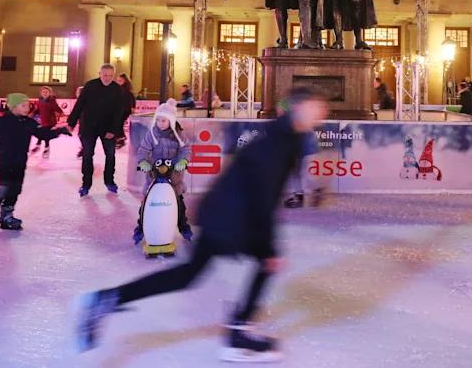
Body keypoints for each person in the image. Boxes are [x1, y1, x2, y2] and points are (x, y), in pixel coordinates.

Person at [74, 87, 329, 361]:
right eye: (315, 107)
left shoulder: (287, 136)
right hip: (232, 216)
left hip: (227, 212)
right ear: (298, 108)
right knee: (261, 263)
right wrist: (268, 247)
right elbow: (262, 195)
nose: (322, 113)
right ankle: (238, 332)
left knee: (190, 274)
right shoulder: (279, 141)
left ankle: (108, 298)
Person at [0, 93, 70, 231]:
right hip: (4, 160)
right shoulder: (1, 122)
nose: (27, 108)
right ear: (13, 107)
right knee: (5, 187)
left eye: (28, 105)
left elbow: (43, 134)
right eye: (23, 105)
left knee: (16, 189)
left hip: (20, 161)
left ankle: (7, 216)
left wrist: (60, 131)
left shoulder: (30, 123)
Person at [132, 99, 192, 245]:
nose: (160, 123)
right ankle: (140, 228)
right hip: (154, 176)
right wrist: (143, 162)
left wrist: (183, 161)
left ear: (171, 120)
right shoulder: (152, 134)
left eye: (163, 120)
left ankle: (183, 227)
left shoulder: (178, 134)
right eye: (158, 120)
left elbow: (185, 149)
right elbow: (143, 150)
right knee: (146, 204)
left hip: (174, 177)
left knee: (179, 204)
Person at [68, 64, 126, 197]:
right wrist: (71, 122)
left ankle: (109, 181)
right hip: (89, 126)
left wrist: (113, 130)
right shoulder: (90, 86)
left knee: (110, 155)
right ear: (99, 74)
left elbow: (119, 112)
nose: (107, 78)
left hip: (108, 128)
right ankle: (86, 184)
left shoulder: (117, 89)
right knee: (87, 154)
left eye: (110, 75)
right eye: (105, 75)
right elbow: (79, 104)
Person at [31, 86, 63, 158]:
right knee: (42, 133)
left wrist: (60, 112)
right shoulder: (40, 100)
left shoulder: (52, 101)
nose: (44, 93)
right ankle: (39, 146)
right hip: (43, 121)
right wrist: (32, 113)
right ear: (41, 93)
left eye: (46, 92)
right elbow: (38, 110)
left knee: (46, 135)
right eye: (43, 92)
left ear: (49, 93)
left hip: (50, 122)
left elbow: (57, 109)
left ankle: (45, 148)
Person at [116, 74, 137, 148]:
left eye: (120, 80)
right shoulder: (117, 89)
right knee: (118, 123)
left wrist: (133, 108)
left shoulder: (126, 90)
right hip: (120, 109)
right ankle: (120, 138)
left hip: (125, 110)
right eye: (117, 80)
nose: (118, 82)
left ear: (124, 81)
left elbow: (132, 99)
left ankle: (121, 138)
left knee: (119, 123)